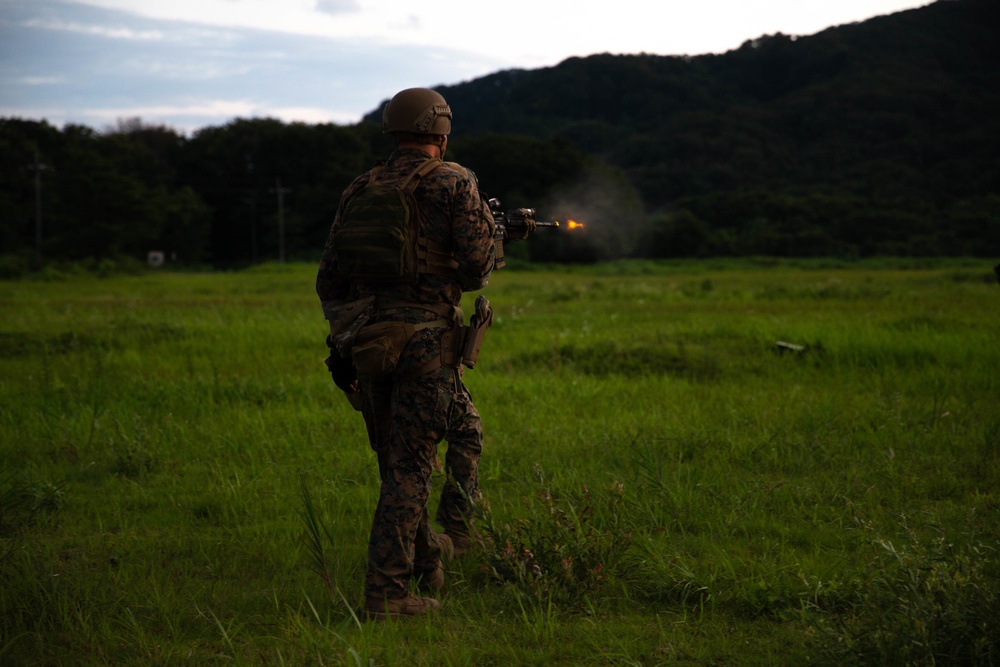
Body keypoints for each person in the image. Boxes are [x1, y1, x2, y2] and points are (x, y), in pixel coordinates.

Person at [316, 87, 496, 621]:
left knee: (461, 429)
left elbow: (329, 277)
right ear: (440, 130)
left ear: (394, 130)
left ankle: (443, 545)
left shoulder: (360, 187)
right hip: (425, 345)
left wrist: (349, 337)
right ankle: (388, 594)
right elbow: (476, 268)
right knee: (410, 465)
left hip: (370, 344)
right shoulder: (454, 181)